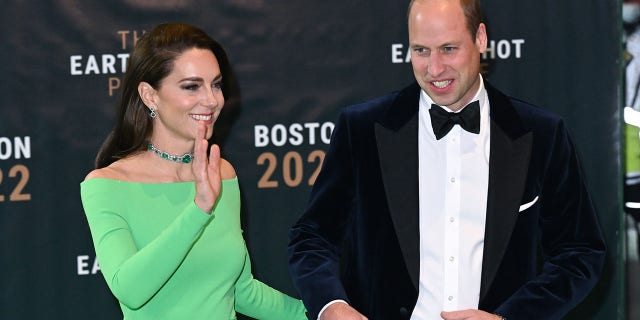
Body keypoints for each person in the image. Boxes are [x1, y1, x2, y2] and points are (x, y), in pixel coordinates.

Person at [287, 0, 606, 319]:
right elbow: (312, 236)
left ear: (480, 38)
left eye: (448, 49)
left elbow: (579, 253)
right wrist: (331, 306)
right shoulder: (362, 131)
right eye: (421, 50)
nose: (434, 69)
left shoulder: (541, 134)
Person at [80, 22, 307, 319]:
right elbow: (131, 290)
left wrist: (320, 312)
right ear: (150, 95)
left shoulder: (221, 173)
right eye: (191, 86)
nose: (212, 100)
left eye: (216, 84)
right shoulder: (107, 185)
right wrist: (199, 208)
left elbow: (241, 291)